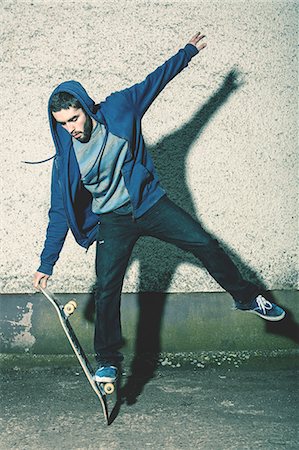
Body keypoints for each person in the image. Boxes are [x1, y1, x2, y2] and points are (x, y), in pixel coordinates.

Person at [33, 31, 285, 384]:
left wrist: (189, 53)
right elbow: (59, 213)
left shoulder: (121, 107)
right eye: (62, 124)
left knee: (205, 243)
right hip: (113, 221)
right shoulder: (65, 162)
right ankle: (108, 361)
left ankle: (246, 298)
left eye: (74, 119)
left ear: (85, 108)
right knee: (107, 287)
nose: (71, 129)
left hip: (149, 205)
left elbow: (158, 80)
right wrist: (47, 263)